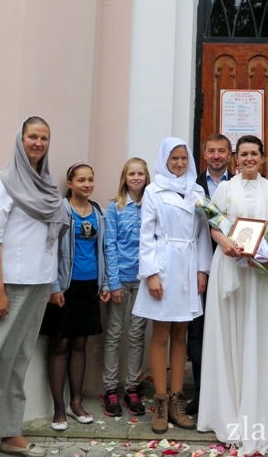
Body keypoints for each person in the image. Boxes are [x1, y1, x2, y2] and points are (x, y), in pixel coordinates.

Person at [0, 116, 68, 457]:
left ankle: (8, 431)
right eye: (32, 136)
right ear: (21, 139)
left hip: (36, 285)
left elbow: (48, 241)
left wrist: (51, 284)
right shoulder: (2, 183)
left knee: (17, 361)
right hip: (6, 286)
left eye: (44, 138)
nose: (38, 143)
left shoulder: (46, 185)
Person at [197, 135, 268, 457]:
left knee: (255, 333)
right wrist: (225, 243)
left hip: (258, 272)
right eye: (244, 154)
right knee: (228, 334)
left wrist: (267, 254)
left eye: (254, 154)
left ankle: (256, 408)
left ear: (262, 158)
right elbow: (214, 225)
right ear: (237, 159)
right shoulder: (225, 189)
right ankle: (227, 410)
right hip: (228, 265)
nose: (249, 159)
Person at [132, 138, 212, 434]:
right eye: (173, 158)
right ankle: (161, 401)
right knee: (161, 334)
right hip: (164, 265)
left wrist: (202, 269)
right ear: (165, 160)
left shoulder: (197, 191)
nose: (179, 163)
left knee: (182, 334)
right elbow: (146, 234)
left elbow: (203, 232)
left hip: (189, 265)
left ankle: (178, 399)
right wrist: (151, 273)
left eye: (183, 158)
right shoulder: (154, 190)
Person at [40, 164, 110, 430]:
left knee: (80, 343)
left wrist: (104, 283)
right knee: (60, 343)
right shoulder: (61, 210)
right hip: (64, 287)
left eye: (90, 179)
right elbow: (49, 248)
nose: (87, 184)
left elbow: (102, 250)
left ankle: (76, 403)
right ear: (69, 183)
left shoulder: (98, 212)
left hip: (89, 286)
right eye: (81, 180)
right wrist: (54, 286)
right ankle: (59, 408)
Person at [186, 134, 233, 415]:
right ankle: (202, 393)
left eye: (221, 151)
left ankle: (229, 393)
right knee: (198, 330)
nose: (216, 156)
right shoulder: (192, 187)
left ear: (230, 155)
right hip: (197, 269)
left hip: (232, 263)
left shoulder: (238, 185)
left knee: (229, 328)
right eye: (211, 151)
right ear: (204, 155)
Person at [102, 157, 151, 417]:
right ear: (125, 177)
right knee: (114, 333)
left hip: (143, 279)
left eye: (140, 174)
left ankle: (132, 387)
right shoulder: (115, 207)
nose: (136, 178)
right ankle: (110, 388)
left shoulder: (151, 205)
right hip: (120, 279)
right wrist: (113, 282)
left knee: (137, 334)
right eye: (131, 174)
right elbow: (110, 245)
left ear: (146, 177)